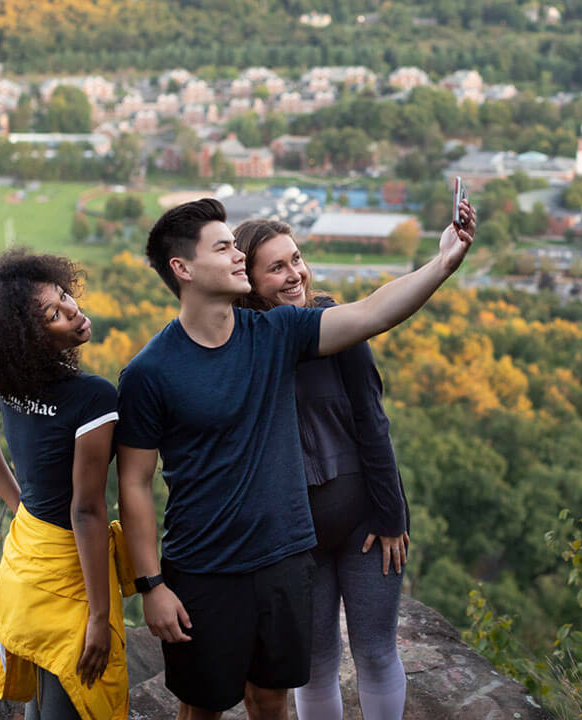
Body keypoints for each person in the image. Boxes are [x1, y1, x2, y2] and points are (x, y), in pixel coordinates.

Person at [116, 198, 475, 720]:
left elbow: (372, 311)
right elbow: (134, 484)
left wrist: (443, 263)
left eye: (238, 248)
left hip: (284, 560)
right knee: (204, 706)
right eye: (224, 248)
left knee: (272, 699)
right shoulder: (150, 372)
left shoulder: (276, 336)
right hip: (205, 568)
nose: (238, 256)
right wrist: (151, 585)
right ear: (183, 268)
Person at [233, 219, 409, 720]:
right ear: (246, 278)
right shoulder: (241, 346)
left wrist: (391, 515)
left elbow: (373, 421)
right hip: (295, 536)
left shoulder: (335, 324)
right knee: (314, 663)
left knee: (375, 650)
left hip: (364, 525)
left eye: (296, 259)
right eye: (276, 267)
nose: (295, 274)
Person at [0, 249, 134, 720]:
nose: (72, 309)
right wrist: (99, 617)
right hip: (71, 580)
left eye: (63, 296)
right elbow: (86, 511)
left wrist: (20, 504)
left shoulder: (7, 378)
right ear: (28, 340)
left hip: (22, 568)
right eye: (53, 314)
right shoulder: (92, 397)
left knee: (35, 711)